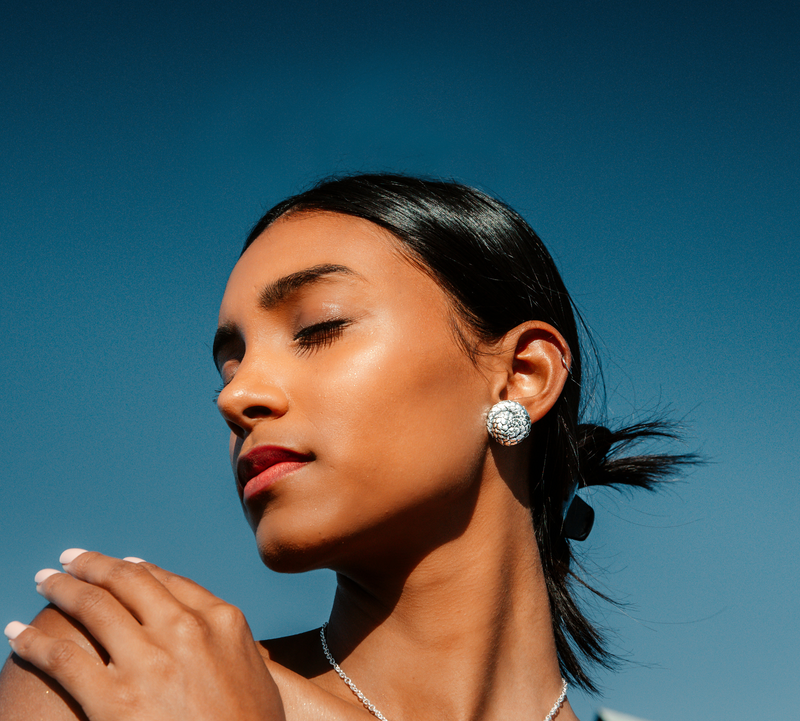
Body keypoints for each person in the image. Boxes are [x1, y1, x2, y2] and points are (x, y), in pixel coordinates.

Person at [0, 174, 692, 721]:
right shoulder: (121, 670)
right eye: (230, 364)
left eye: (318, 327)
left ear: (522, 377)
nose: (235, 398)